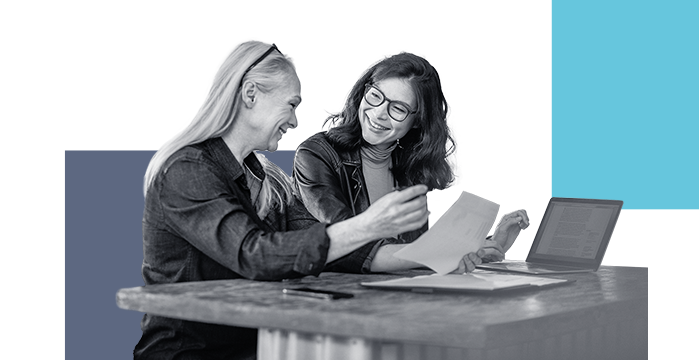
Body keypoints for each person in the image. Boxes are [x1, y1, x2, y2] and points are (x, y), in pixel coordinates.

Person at [133, 39, 435, 360]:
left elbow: (326, 249)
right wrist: (368, 224)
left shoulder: (269, 179)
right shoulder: (186, 170)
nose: (294, 121)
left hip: (257, 347)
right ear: (251, 94)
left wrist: (443, 254)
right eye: (291, 105)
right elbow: (255, 255)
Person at [292, 51, 529, 274]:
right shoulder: (316, 154)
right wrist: (444, 254)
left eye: (398, 108)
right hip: (334, 298)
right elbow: (346, 242)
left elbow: (415, 252)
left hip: (394, 296)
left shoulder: (413, 168)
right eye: (375, 96)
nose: (378, 113)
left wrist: (486, 246)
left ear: (417, 122)